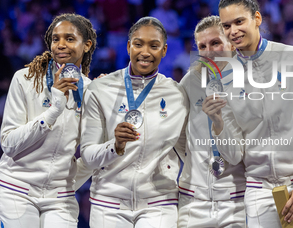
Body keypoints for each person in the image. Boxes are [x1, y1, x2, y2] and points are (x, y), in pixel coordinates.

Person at [210, 0, 293, 228]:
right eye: (226, 25)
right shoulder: (223, 80)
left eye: (239, 22)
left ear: (257, 18)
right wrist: (218, 123)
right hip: (260, 189)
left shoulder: (292, 58)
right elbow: (233, 155)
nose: (232, 31)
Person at [80, 16, 188, 228]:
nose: (145, 52)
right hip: (108, 203)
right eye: (138, 44)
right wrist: (115, 145)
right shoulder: (100, 89)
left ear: (164, 50)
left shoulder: (177, 94)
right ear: (129, 46)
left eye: (154, 46)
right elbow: (88, 156)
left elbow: (188, 151)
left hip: (159, 202)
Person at [0, 13, 97, 228]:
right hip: (16, 188)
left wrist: (68, 184)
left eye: (69, 39)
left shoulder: (92, 91)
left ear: (87, 45)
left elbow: (91, 155)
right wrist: (53, 111)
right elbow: (8, 143)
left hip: (60, 197)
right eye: (55, 39)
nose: (61, 45)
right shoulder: (24, 79)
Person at [177, 15, 246, 227]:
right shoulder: (190, 81)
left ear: (232, 45)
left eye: (215, 43)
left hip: (235, 202)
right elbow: (179, 136)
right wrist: (193, 160)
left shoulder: (248, 85)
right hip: (193, 201)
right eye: (202, 46)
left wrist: (218, 123)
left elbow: (235, 156)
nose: (208, 51)